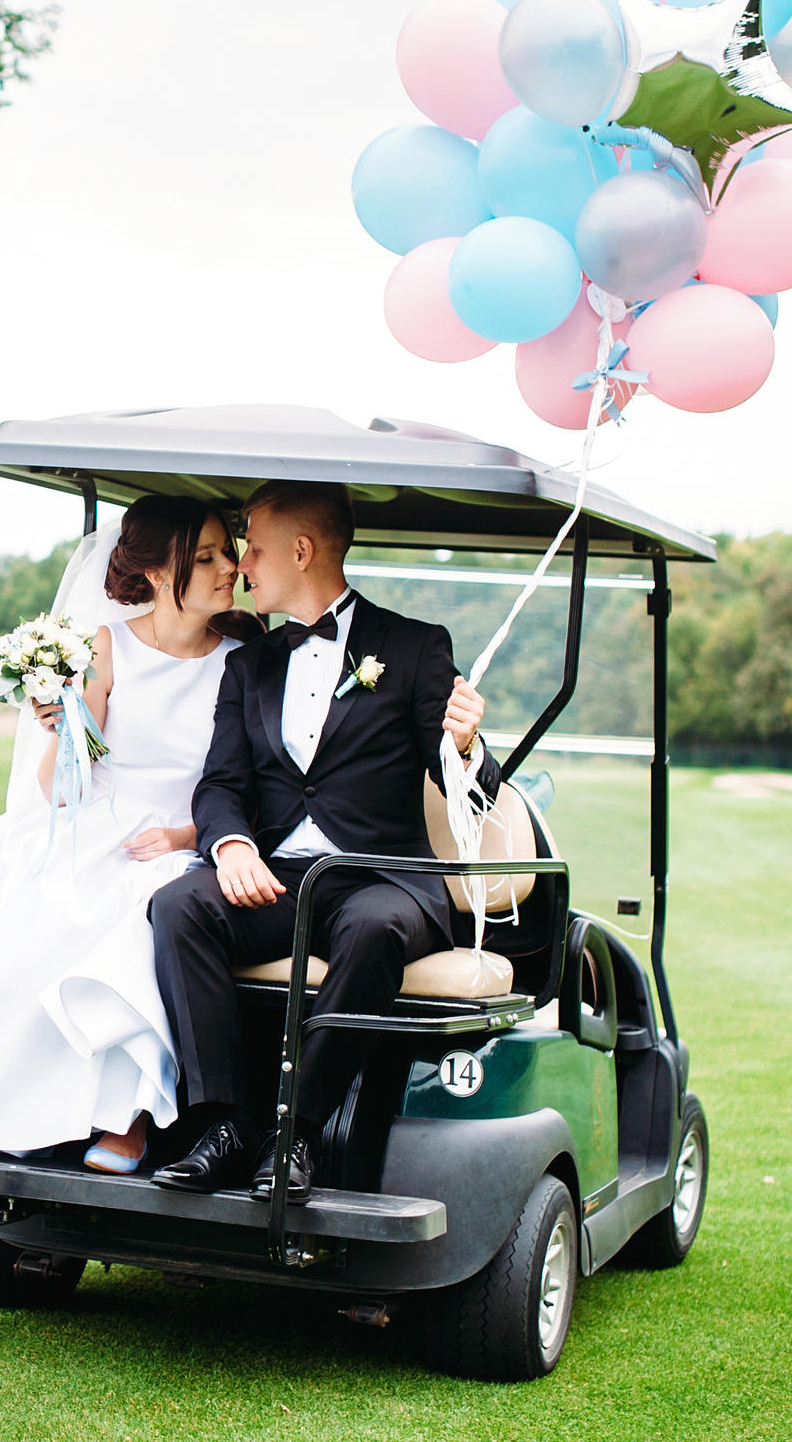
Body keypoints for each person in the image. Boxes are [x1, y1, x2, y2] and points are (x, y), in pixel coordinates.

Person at [0, 496, 260, 1171]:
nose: (229, 568)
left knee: (143, 915)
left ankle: (124, 1118)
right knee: (26, 905)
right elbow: (63, 788)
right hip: (93, 822)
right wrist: (65, 728)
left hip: (183, 839)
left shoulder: (243, 659)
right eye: (208, 556)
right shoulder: (107, 646)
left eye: (228, 553)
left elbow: (249, 786)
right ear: (158, 573)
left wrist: (187, 836)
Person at [148, 479, 498, 1202]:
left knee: (372, 927)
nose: (242, 564)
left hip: (383, 879)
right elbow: (220, 785)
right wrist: (232, 845)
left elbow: (471, 785)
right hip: (282, 876)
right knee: (180, 906)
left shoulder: (413, 648)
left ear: (301, 552)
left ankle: (297, 1131)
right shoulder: (249, 664)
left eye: (253, 547)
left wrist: (465, 744)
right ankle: (224, 1124)